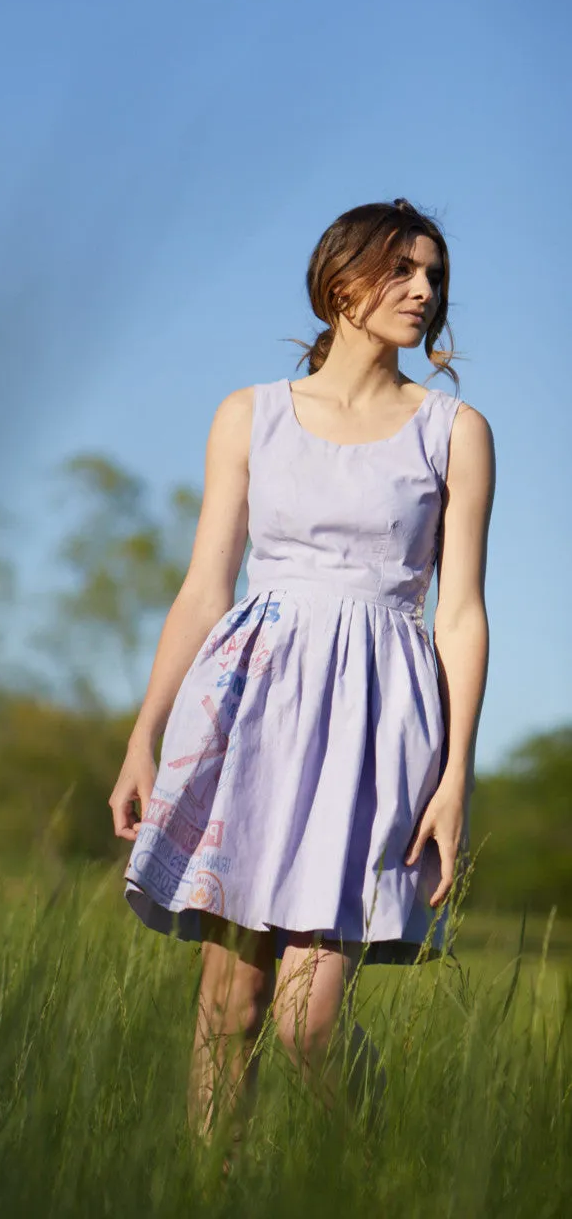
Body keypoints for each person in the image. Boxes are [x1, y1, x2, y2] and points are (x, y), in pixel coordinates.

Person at [108, 197, 495, 1153]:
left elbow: (461, 612)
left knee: (305, 1028)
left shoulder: (454, 430)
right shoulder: (251, 416)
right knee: (231, 1009)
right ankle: (212, 1197)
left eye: (434, 274)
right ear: (341, 283)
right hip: (251, 712)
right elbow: (206, 586)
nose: (423, 289)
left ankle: (388, 1172)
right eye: (401, 269)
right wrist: (143, 731)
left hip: (378, 726)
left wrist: (456, 778)